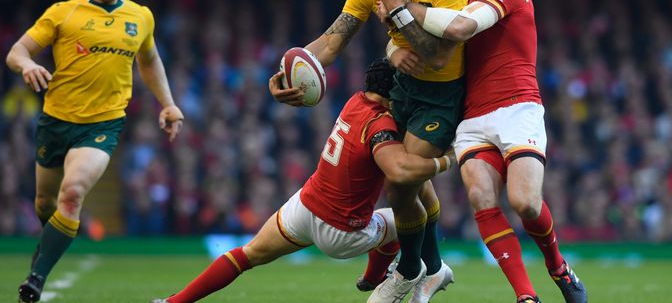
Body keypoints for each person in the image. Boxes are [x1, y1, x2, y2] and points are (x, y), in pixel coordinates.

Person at [377, 0, 588, 303]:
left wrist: (403, 6)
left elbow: (461, 27)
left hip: (517, 108)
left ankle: (558, 266)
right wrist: (394, 45)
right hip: (472, 117)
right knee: (481, 198)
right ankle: (526, 296)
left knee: (524, 202)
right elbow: (419, 50)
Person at [269, 0, 468, 303]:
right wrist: (285, 75)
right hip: (404, 90)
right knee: (413, 183)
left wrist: (397, 14)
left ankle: (410, 270)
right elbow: (330, 42)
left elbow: (437, 56)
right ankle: (433, 268)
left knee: (400, 181)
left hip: (442, 96)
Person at [150, 59, 455, 303]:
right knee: (410, 212)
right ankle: (409, 272)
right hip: (341, 231)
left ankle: (173, 302)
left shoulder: (355, 102)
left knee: (248, 254)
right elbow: (399, 172)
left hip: (305, 206)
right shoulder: (380, 124)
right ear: (394, 91)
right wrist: (448, 159)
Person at [7, 0, 185, 303]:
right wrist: (27, 66)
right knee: (45, 203)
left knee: (71, 194)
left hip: (102, 126)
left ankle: (36, 279)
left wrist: (167, 104)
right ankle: (48, 247)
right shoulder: (63, 14)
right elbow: (17, 51)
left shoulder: (140, 17)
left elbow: (149, 62)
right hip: (56, 121)